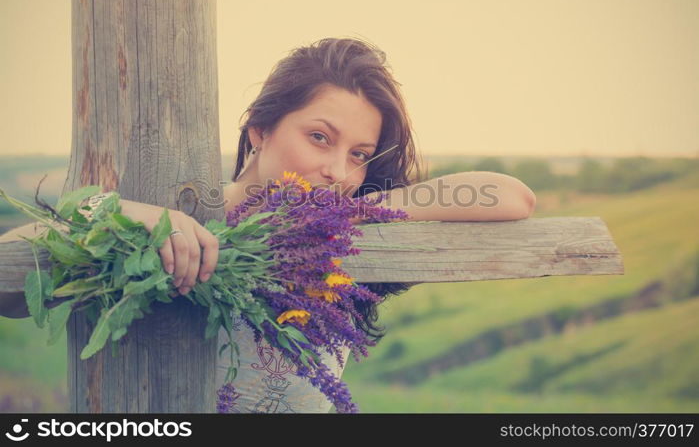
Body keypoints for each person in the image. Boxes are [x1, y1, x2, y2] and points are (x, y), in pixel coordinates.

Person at [0, 37, 536, 412]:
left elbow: (512, 196)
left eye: (360, 154)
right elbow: (10, 285)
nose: (337, 170)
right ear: (259, 129)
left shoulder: (335, 237)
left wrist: (359, 209)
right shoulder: (175, 213)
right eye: (320, 138)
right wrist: (117, 215)